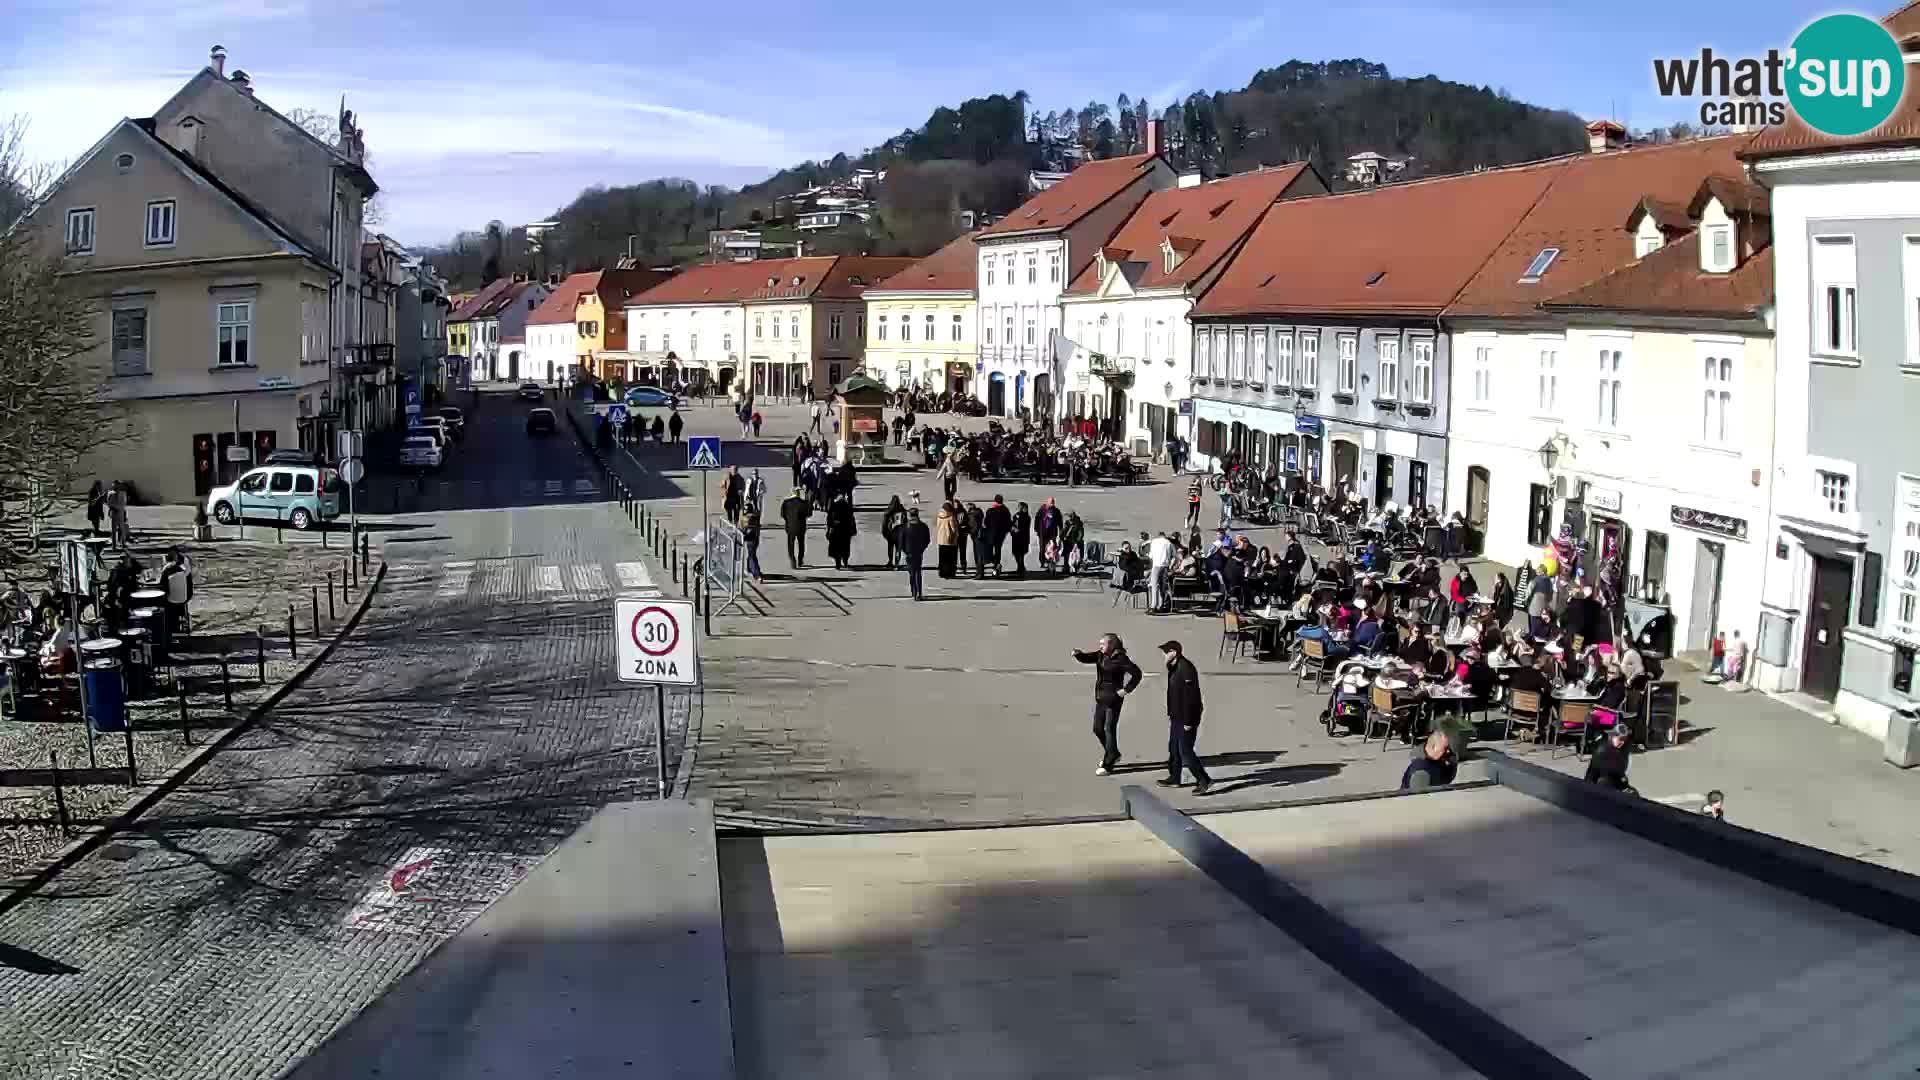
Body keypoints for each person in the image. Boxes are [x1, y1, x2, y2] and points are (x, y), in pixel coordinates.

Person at [1073, 633, 1143, 776]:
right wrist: (1078, 655)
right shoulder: (1100, 655)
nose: (1100, 646)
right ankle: (1113, 753)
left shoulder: (1121, 659)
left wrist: (1126, 690)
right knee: (1098, 728)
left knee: (1109, 728)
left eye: (1102, 644)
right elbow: (1088, 658)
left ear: (1111, 645)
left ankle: (1108, 763)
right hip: (1101, 697)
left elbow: (1137, 674)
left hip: (1113, 699)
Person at [1156, 640, 1212, 795]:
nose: (1163, 655)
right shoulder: (1173, 666)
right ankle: (1175, 777)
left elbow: (1191, 698)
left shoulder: (1185, 668)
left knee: (1185, 751)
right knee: (1173, 747)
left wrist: (1189, 721)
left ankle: (1204, 780)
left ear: (1174, 652)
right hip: (1176, 715)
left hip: (1187, 717)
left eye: (1166, 652)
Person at [1585, 722, 1635, 792]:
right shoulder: (1601, 751)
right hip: (1602, 779)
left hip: (1615, 776)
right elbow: (1592, 774)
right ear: (1613, 736)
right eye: (1620, 739)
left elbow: (1620, 773)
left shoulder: (1624, 747)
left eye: (1624, 740)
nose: (1622, 742)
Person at [902, 509, 931, 599]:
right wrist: (922, 549)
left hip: (909, 553)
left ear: (910, 515)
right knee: (918, 572)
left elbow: (901, 541)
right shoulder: (923, 526)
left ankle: (914, 592)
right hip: (918, 552)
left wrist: (905, 550)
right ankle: (919, 593)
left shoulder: (906, 527)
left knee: (911, 573)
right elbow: (927, 540)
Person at [779, 488, 811, 568]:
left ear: (791, 493)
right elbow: (808, 514)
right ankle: (800, 560)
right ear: (798, 493)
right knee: (801, 544)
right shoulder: (803, 503)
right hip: (801, 526)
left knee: (791, 544)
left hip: (790, 527)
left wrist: (788, 519)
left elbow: (782, 515)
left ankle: (792, 560)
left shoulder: (786, 503)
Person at [826, 493, 857, 571]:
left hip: (836, 530)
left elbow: (829, 519)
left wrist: (828, 529)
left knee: (836, 547)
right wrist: (853, 529)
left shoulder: (833, 506)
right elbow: (852, 519)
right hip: (846, 530)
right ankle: (845, 561)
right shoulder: (848, 506)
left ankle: (838, 564)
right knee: (845, 547)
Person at [1146, 531, 1175, 614]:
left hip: (1156, 566)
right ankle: (1161, 606)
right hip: (1165, 567)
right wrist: (1170, 565)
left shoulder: (1154, 542)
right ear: (1164, 536)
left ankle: (1153, 607)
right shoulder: (1169, 543)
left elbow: (1151, 556)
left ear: (1158, 536)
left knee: (1154, 586)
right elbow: (1174, 556)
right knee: (1163, 587)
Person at [984, 495, 1012, 576]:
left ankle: (994, 563)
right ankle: (997, 565)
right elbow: (1008, 523)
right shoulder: (1005, 510)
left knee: (989, 549)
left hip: (991, 534)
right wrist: (1006, 531)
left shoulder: (990, 511)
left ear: (995, 501)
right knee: (997, 550)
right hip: (1001, 535)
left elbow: (986, 523)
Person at [935, 500, 961, 579]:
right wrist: (956, 535)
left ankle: (942, 572)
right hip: (950, 540)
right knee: (950, 558)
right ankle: (950, 573)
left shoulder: (939, 515)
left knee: (942, 558)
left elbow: (937, 526)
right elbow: (953, 528)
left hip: (941, 539)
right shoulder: (951, 516)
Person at [881, 495, 909, 569]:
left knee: (890, 548)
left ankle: (890, 561)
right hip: (899, 533)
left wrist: (884, 532)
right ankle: (896, 564)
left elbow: (884, 524)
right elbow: (906, 522)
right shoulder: (902, 510)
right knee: (898, 549)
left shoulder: (888, 511)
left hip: (890, 533)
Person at [1034, 498, 1062, 571]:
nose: (1051, 506)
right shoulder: (1042, 510)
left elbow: (1060, 521)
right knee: (1042, 547)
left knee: (1052, 547)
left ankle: (1051, 561)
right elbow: (1037, 519)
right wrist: (1036, 529)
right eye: (1050, 504)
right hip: (1043, 532)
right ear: (1047, 503)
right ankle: (1042, 561)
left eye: (1053, 504)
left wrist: (1061, 529)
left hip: (1052, 532)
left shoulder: (1056, 511)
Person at [740, 505, 765, 583]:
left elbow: (743, 528)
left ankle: (757, 574)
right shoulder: (755, 516)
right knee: (751, 554)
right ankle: (750, 569)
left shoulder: (745, 518)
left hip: (749, 539)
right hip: (755, 538)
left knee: (752, 556)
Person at [966, 502, 990, 579]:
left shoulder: (972, 514)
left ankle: (979, 573)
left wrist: (970, 531)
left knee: (978, 555)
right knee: (979, 555)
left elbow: (973, 526)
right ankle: (979, 572)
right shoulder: (978, 513)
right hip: (978, 536)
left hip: (976, 536)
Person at [1009, 501, 1032, 577]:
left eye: (1020, 507)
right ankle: (1020, 566)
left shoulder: (1027, 517)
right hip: (1016, 537)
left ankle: (1020, 568)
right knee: (1016, 553)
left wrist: (1019, 518)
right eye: (1018, 507)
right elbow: (1012, 524)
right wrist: (1012, 529)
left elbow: (1025, 526)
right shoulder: (1016, 515)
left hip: (1022, 538)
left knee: (1021, 554)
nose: (1018, 508)